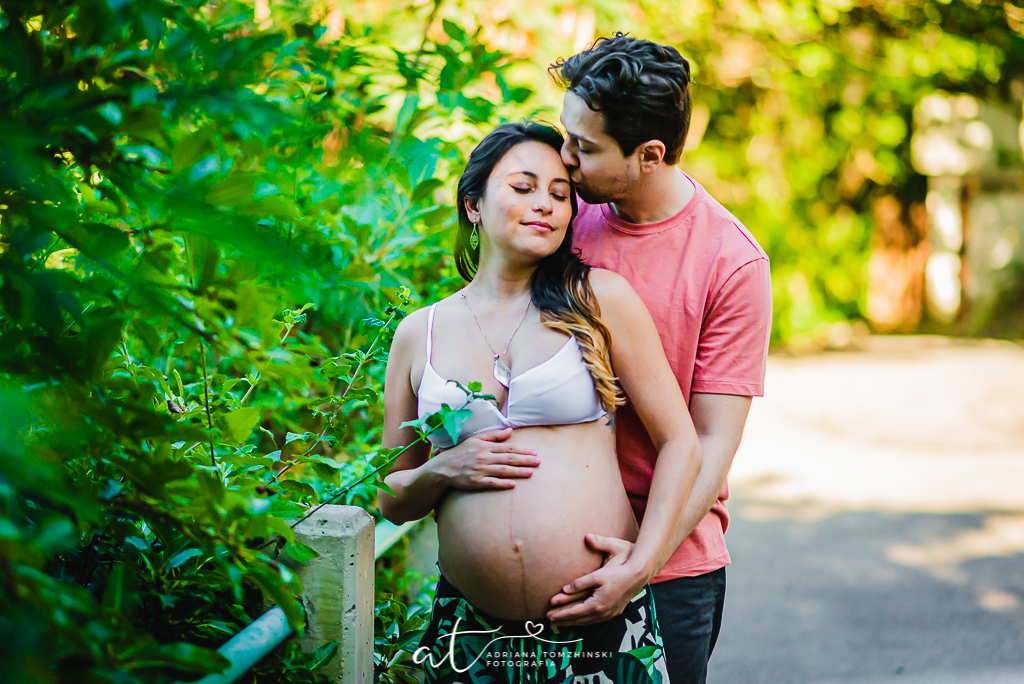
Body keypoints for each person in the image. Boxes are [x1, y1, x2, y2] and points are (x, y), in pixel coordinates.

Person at [379, 121, 703, 683]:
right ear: (473, 204)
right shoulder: (419, 332)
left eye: (559, 195)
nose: (545, 205)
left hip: (600, 618)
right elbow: (392, 496)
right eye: (523, 187)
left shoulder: (599, 301)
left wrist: (640, 566)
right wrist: (444, 468)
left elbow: (680, 442)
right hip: (470, 632)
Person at [544, 34, 773, 684]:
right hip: (555, 552)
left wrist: (640, 566)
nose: (565, 160)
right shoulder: (563, 215)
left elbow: (709, 440)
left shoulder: (732, 263)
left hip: (670, 572)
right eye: (567, 136)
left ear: (650, 155)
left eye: (584, 148)